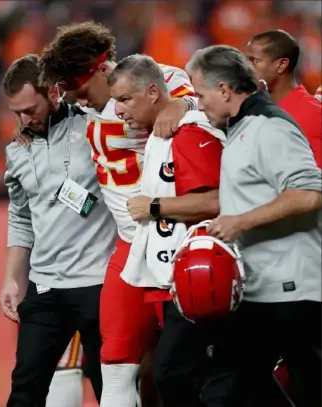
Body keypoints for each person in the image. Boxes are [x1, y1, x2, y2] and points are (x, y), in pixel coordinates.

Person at [37, 21, 198, 407]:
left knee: (183, 367)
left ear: (103, 70)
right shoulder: (80, 107)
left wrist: (184, 104)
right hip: (128, 246)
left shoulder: (153, 82)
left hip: (177, 237)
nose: (79, 101)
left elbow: (203, 104)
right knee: (115, 364)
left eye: (80, 90)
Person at [187, 45, 322, 407]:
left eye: (201, 95)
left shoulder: (269, 126)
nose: (199, 104)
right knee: (228, 387)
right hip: (261, 289)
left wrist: (239, 222)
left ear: (224, 90)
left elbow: (309, 193)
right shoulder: (242, 127)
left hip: (292, 291)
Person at [108, 53, 238, 407]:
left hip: (201, 284)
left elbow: (219, 201)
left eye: (124, 99)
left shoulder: (188, 133)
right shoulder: (160, 135)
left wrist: (153, 207)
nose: (118, 111)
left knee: (176, 373)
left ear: (153, 92)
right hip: (175, 282)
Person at [0, 53, 117, 407]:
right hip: (46, 285)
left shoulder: (94, 125)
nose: (23, 119)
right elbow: (21, 218)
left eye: (30, 109)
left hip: (97, 283)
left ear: (53, 92)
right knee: (25, 387)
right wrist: (11, 280)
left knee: (108, 387)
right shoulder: (16, 152)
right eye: (16, 112)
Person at [246, 29, 322, 167]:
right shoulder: (250, 111)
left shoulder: (313, 115)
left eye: (254, 61)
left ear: (281, 65)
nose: (245, 68)